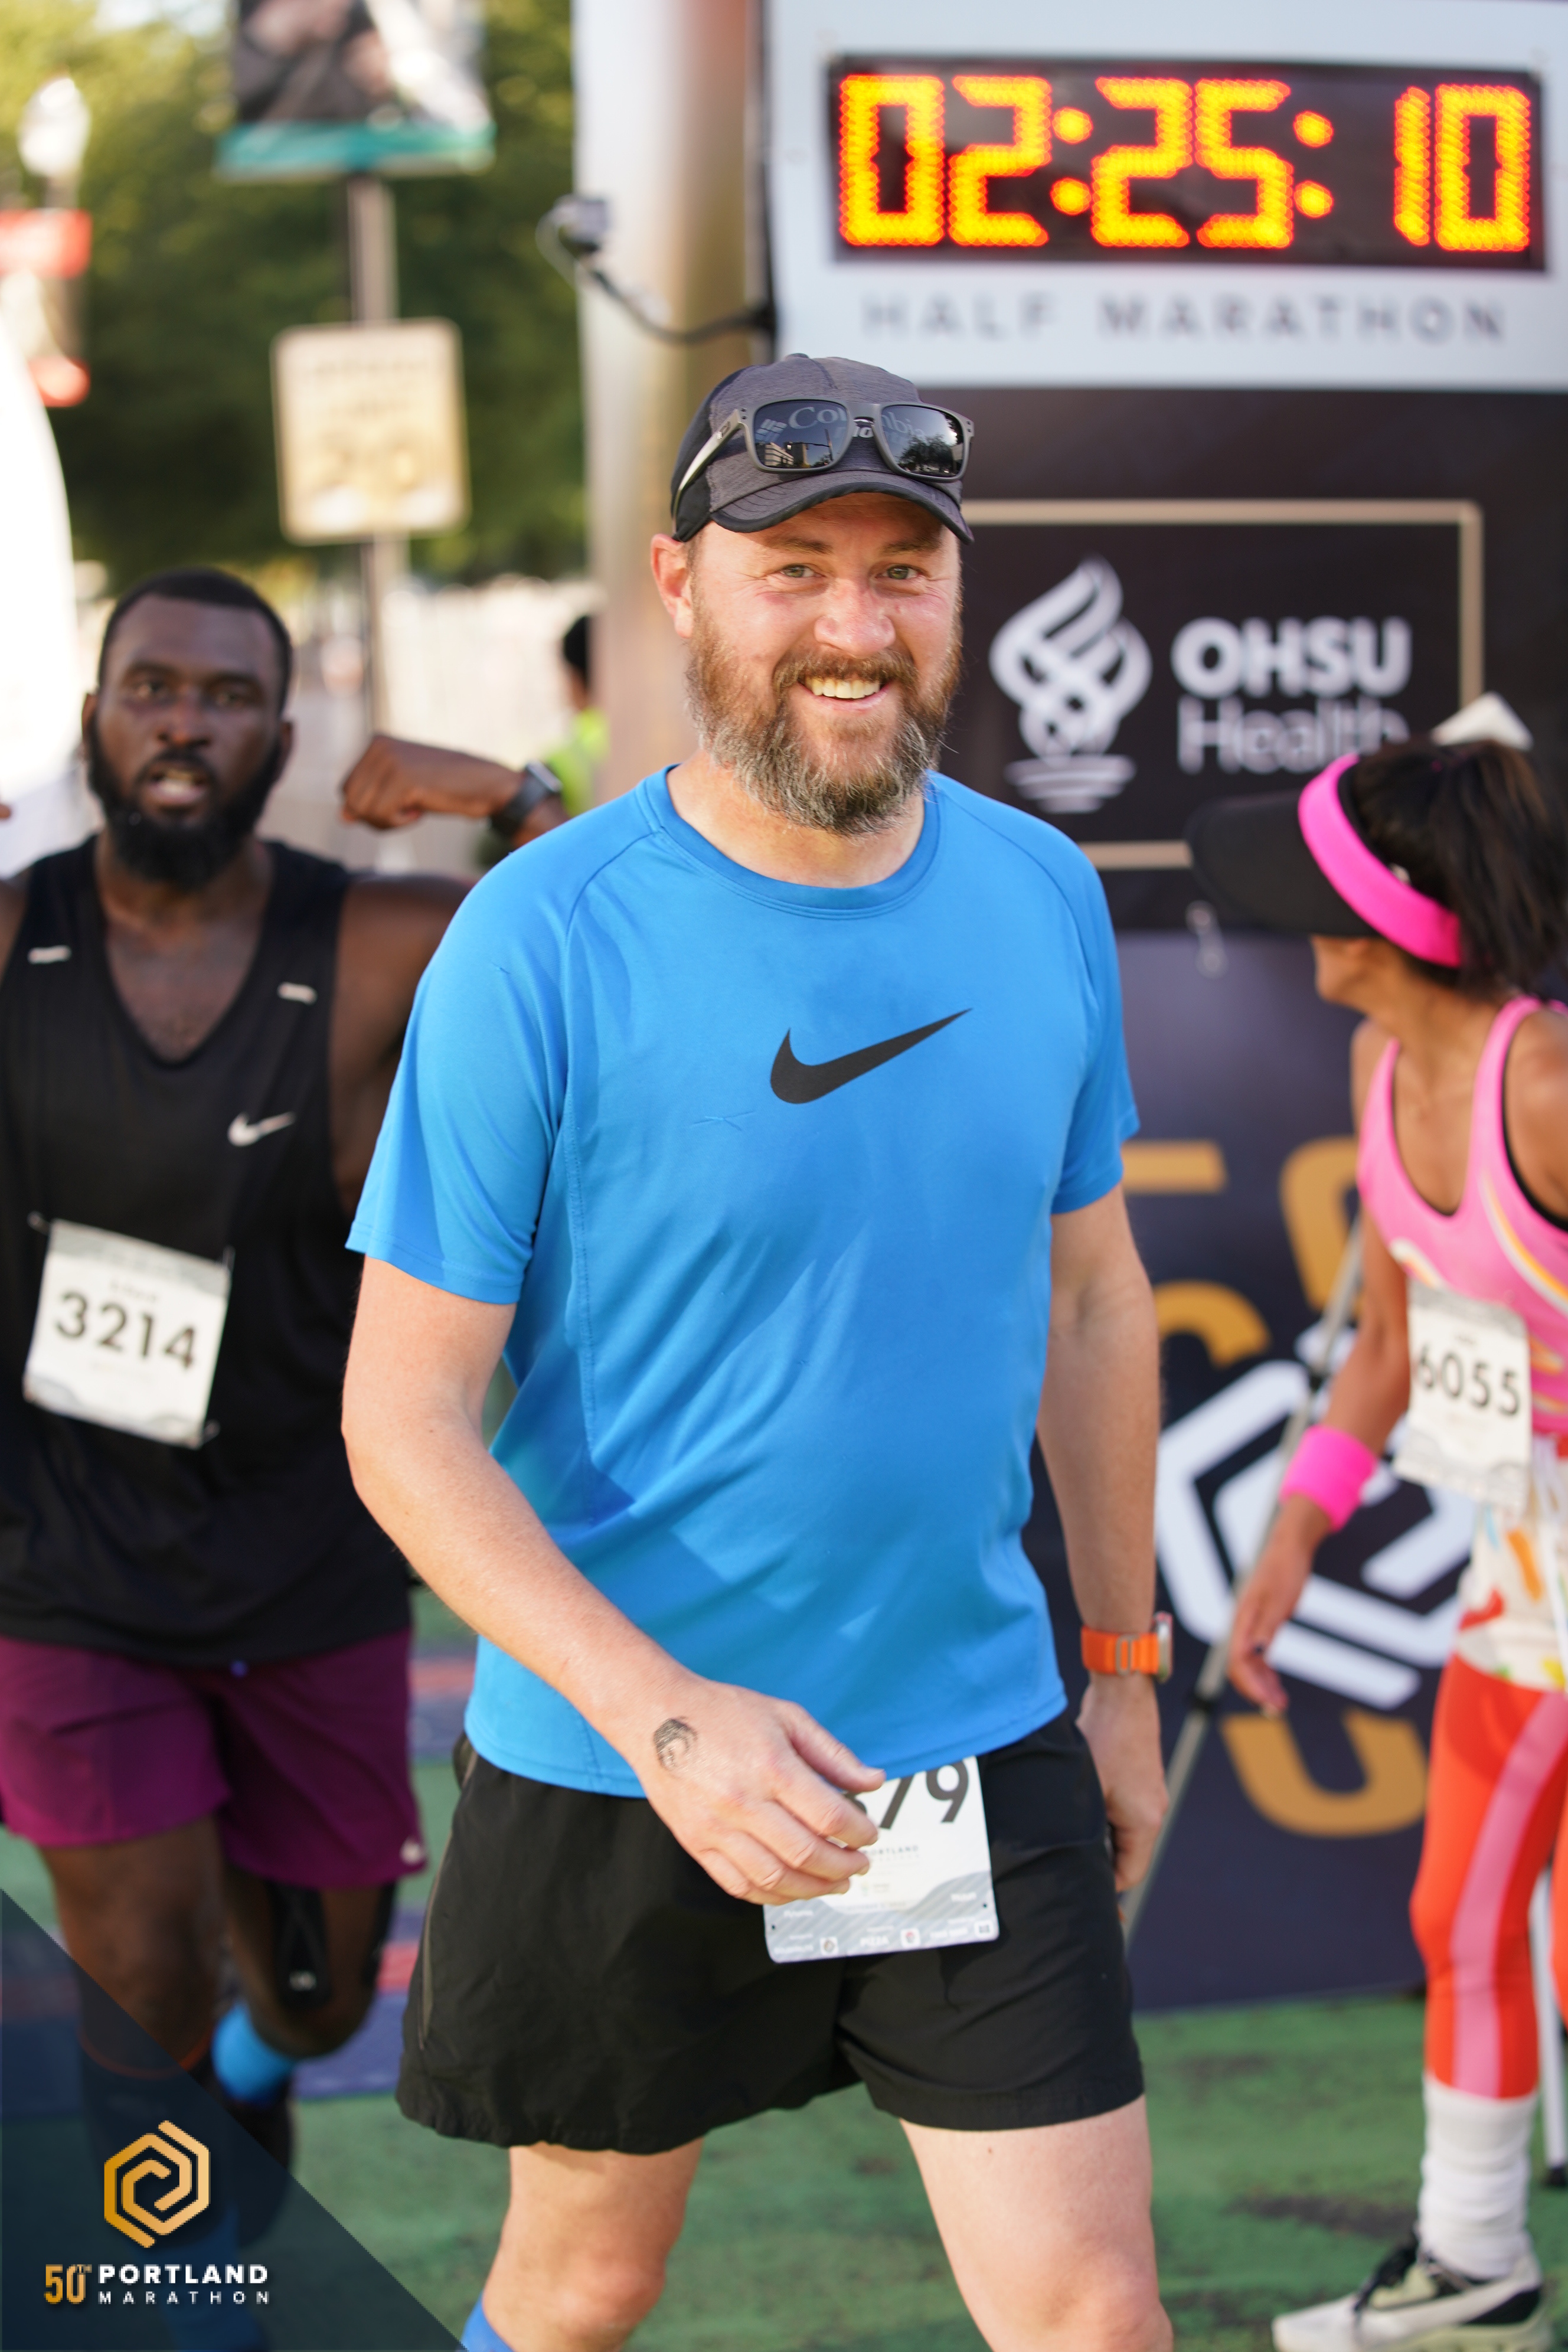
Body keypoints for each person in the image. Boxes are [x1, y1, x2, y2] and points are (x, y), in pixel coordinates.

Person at [342, 353, 1172, 2352]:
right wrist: (666, 1723)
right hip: (622, 1761)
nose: (854, 626)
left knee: (1091, 2317)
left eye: (902, 572)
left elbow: (1092, 1299)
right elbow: (402, 1416)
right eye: (794, 570)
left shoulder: (1042, 891)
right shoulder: (538, 938)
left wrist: (1126, 1670)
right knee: (581, 2290)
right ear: (681, 586)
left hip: (958, 1742)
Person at [0, 565, 554, 2157]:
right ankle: (178, 2264)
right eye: (152, 689)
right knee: (141, 1977)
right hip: (63, 1562)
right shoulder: (14, 935)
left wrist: (515, 797)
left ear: (285, 739)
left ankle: (252, 2084)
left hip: (310, 1556)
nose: (184, 724)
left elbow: (631, 956)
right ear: (93, 720)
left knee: (313, 1999)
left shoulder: (375, 937)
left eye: (228, 697)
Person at [1188, 735, 1568, 2352]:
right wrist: (1292, 1538)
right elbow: (1392, 1349)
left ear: (1396, 921)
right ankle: (1473, 2267)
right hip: (1522, 1574)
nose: (1294, 922)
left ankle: (1475, 2265)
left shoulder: (1547, 1087)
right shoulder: (1379, 1070)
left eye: (1315, 891)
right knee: (1461, 1918)